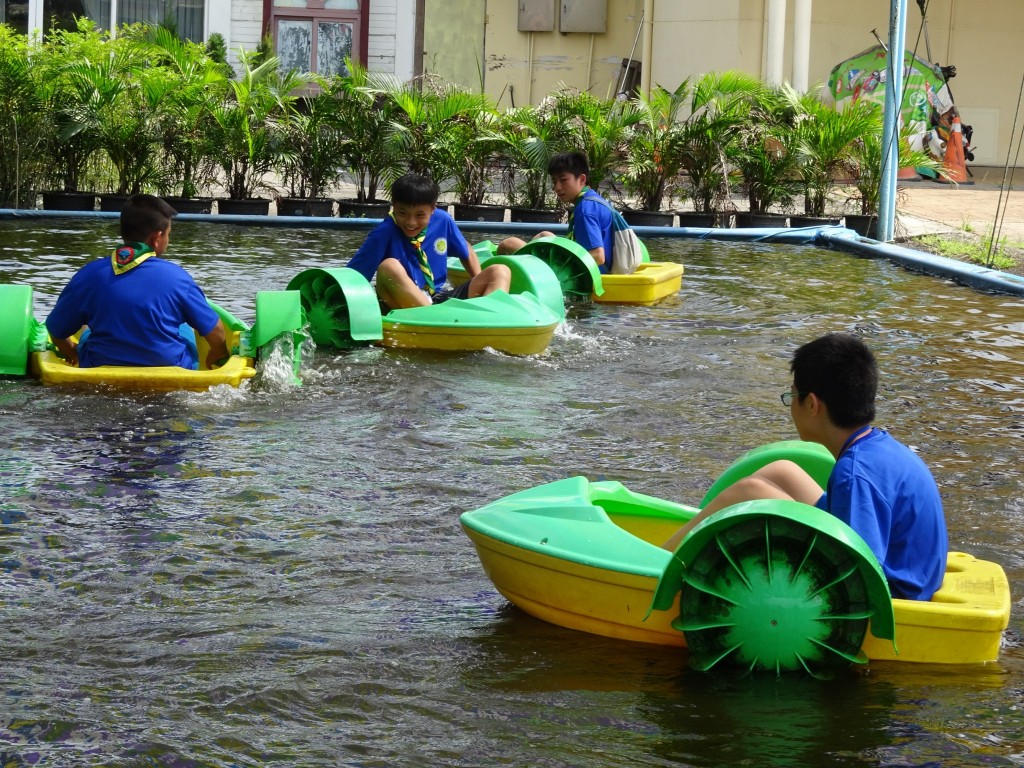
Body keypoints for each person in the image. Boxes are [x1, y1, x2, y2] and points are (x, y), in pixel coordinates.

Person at [663, 333, 948, 601]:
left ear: (812, 404)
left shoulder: (855, 473)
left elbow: (862, 572)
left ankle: (660, 563)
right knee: (781, 470)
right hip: (913, 571)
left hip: (898, 593)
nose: (790, 407)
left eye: (791, 397)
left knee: (750, 491)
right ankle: (680, 541)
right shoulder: (879, 448)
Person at [46, 194, 229, 370]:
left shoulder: (88, 275)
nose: (168, 240)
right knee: (184, 327)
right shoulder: (178, 278)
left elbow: (56, 331)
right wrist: (217, 354)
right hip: (170, 371)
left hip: (100, 370)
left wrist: (71, 351)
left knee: (86, 329)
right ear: (157, 238)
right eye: (168, 234)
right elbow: (217, 333)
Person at [346, 173, 511, 309]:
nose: (411, 222)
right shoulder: (383, 232)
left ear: (433, 209)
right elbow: (352, 277)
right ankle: (435, 319)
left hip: (437, 298)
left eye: (419, 215)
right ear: (393, 207)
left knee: (500, 271)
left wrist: (478, 280)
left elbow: (466, 249)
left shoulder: (443, 220)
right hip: (400, 303)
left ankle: (490, 320)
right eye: (402, 213)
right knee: (389, 266)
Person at [497, 151, 618, 272]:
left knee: (508, 244)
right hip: (598, 267)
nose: (557, 187)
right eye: (554, 181)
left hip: (585, 276)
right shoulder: (594, 200)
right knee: (544, 235)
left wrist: (557, 262)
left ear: (581, 179)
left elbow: (598, 256)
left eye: (563, 180)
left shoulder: (585, 209)